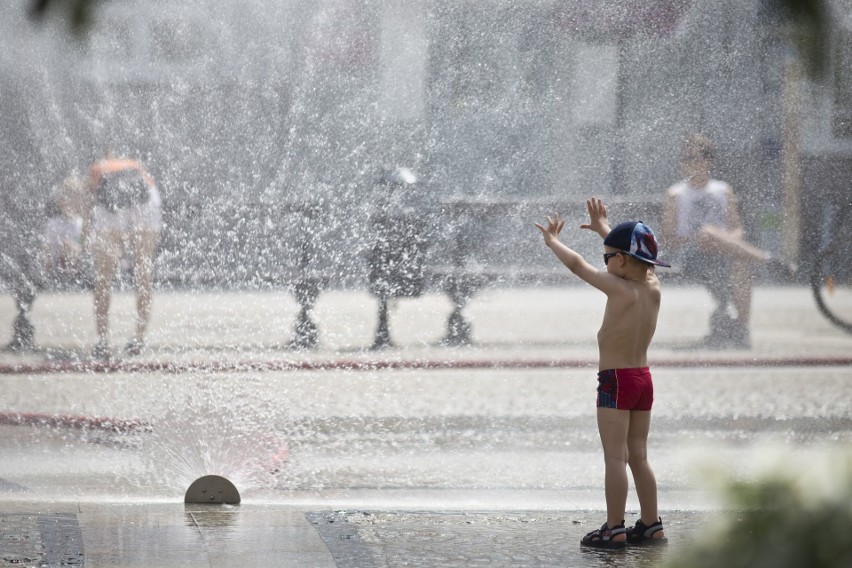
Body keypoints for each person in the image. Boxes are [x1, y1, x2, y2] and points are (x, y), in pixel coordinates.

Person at [536, 198, 669, 550]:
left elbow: (578, 265)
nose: (604, 261)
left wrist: (553, 242)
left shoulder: (619, 288)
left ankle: (614, 528)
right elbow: (630, 257)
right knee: (639, 455)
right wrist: (603, 229)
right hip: (643, 380)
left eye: (607, 256)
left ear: (621, 261)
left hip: (615, 381)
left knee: (616, 457)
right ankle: (652, 524)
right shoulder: (652, 285)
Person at [661, 133, 795, 348]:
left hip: (722, 255)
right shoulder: (675, 194)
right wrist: (702, 237)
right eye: (686, 158)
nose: (691, 163)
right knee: (706, 234)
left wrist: (721, 242)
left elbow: (737, 230)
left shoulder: (722, 190)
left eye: (696, 157)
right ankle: (769, 261)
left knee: (738, 262)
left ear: (708, 160)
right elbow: (669, 239)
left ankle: (742, 330)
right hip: (690, 256)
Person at [81, 150, 162, 359]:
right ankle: (139, 339)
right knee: (143, 272)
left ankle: (103, 341)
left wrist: (84, 240)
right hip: (146, 202)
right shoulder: (135, 166)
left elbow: (88, 205)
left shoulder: (96, 169)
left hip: (111, 206)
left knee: (103, 276)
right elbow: (151, 192)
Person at [41, 174, 86, 288]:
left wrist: (71, 245)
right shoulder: (54, 223)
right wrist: (47, 261)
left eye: (75, 198)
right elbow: (46, 246)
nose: (70, 202)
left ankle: (73, 276)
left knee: (70, 245)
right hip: (57, 267)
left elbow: (84, 248)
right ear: (59, 201)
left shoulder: (81, 224)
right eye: (66, 197)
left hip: (77, 268)